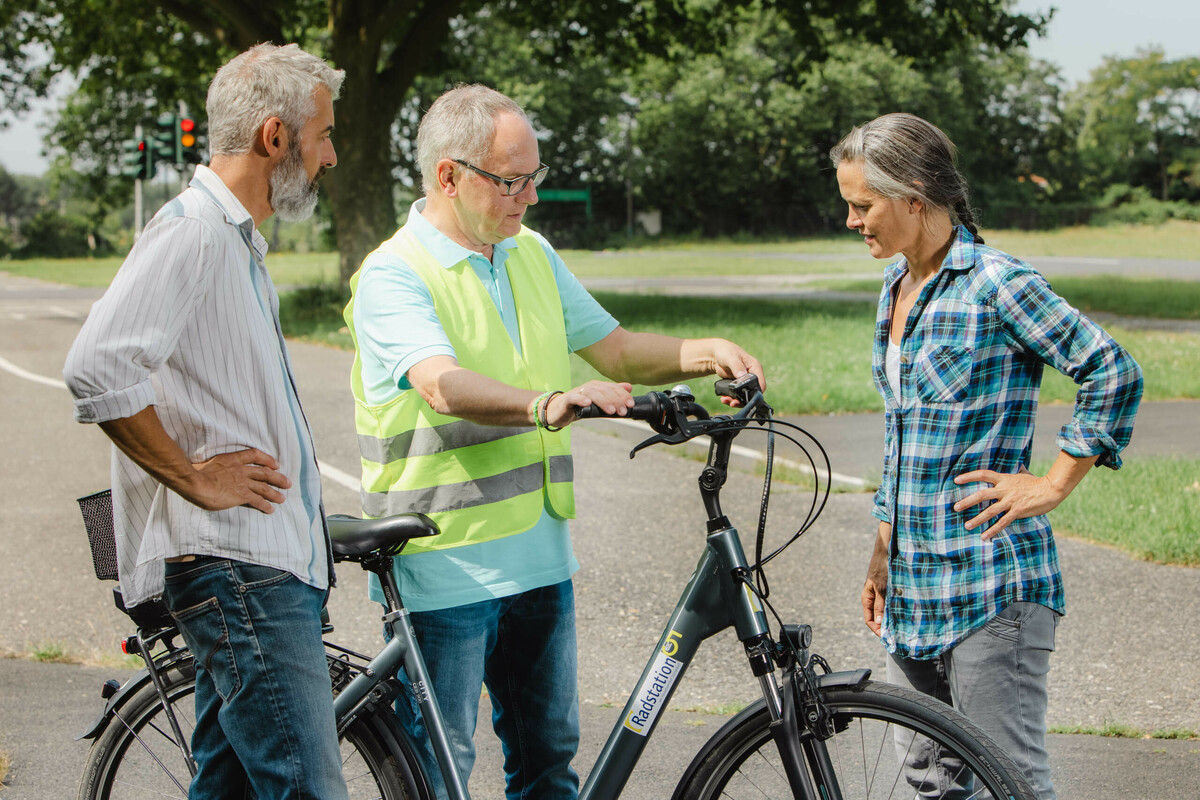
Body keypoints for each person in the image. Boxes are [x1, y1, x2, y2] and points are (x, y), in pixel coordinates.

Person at [345, 83, 764, 799]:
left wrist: (705, 349)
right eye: (511, 181)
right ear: (449, 175)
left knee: (548, 764)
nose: (529, 197)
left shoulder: (528, 252)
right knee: (438, 774)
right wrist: (548, 403)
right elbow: (441, 384)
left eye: (533, 178)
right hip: (448, 562)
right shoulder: (394, 273)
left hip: (539, 559)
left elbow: (617, 350)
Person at [64, 44, 348, 799]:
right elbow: (96, 365)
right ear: (275, 137)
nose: (332, 155)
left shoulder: (235, 242)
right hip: (240, 571)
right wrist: (191, 475)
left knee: (227, 790)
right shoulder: (194, 231)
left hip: (261, 567)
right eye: (323, 134)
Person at [830, 112, 1143, 798]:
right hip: (913, 586)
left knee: (1011, 782)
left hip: (989, 587)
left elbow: (1110, 371)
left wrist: (1052, 484)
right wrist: (883, 547)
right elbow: (906, 435)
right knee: (929, 780)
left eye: (862, 205)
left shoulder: (998, 283)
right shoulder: (897, 285)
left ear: (914, 196)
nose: (852, 221)